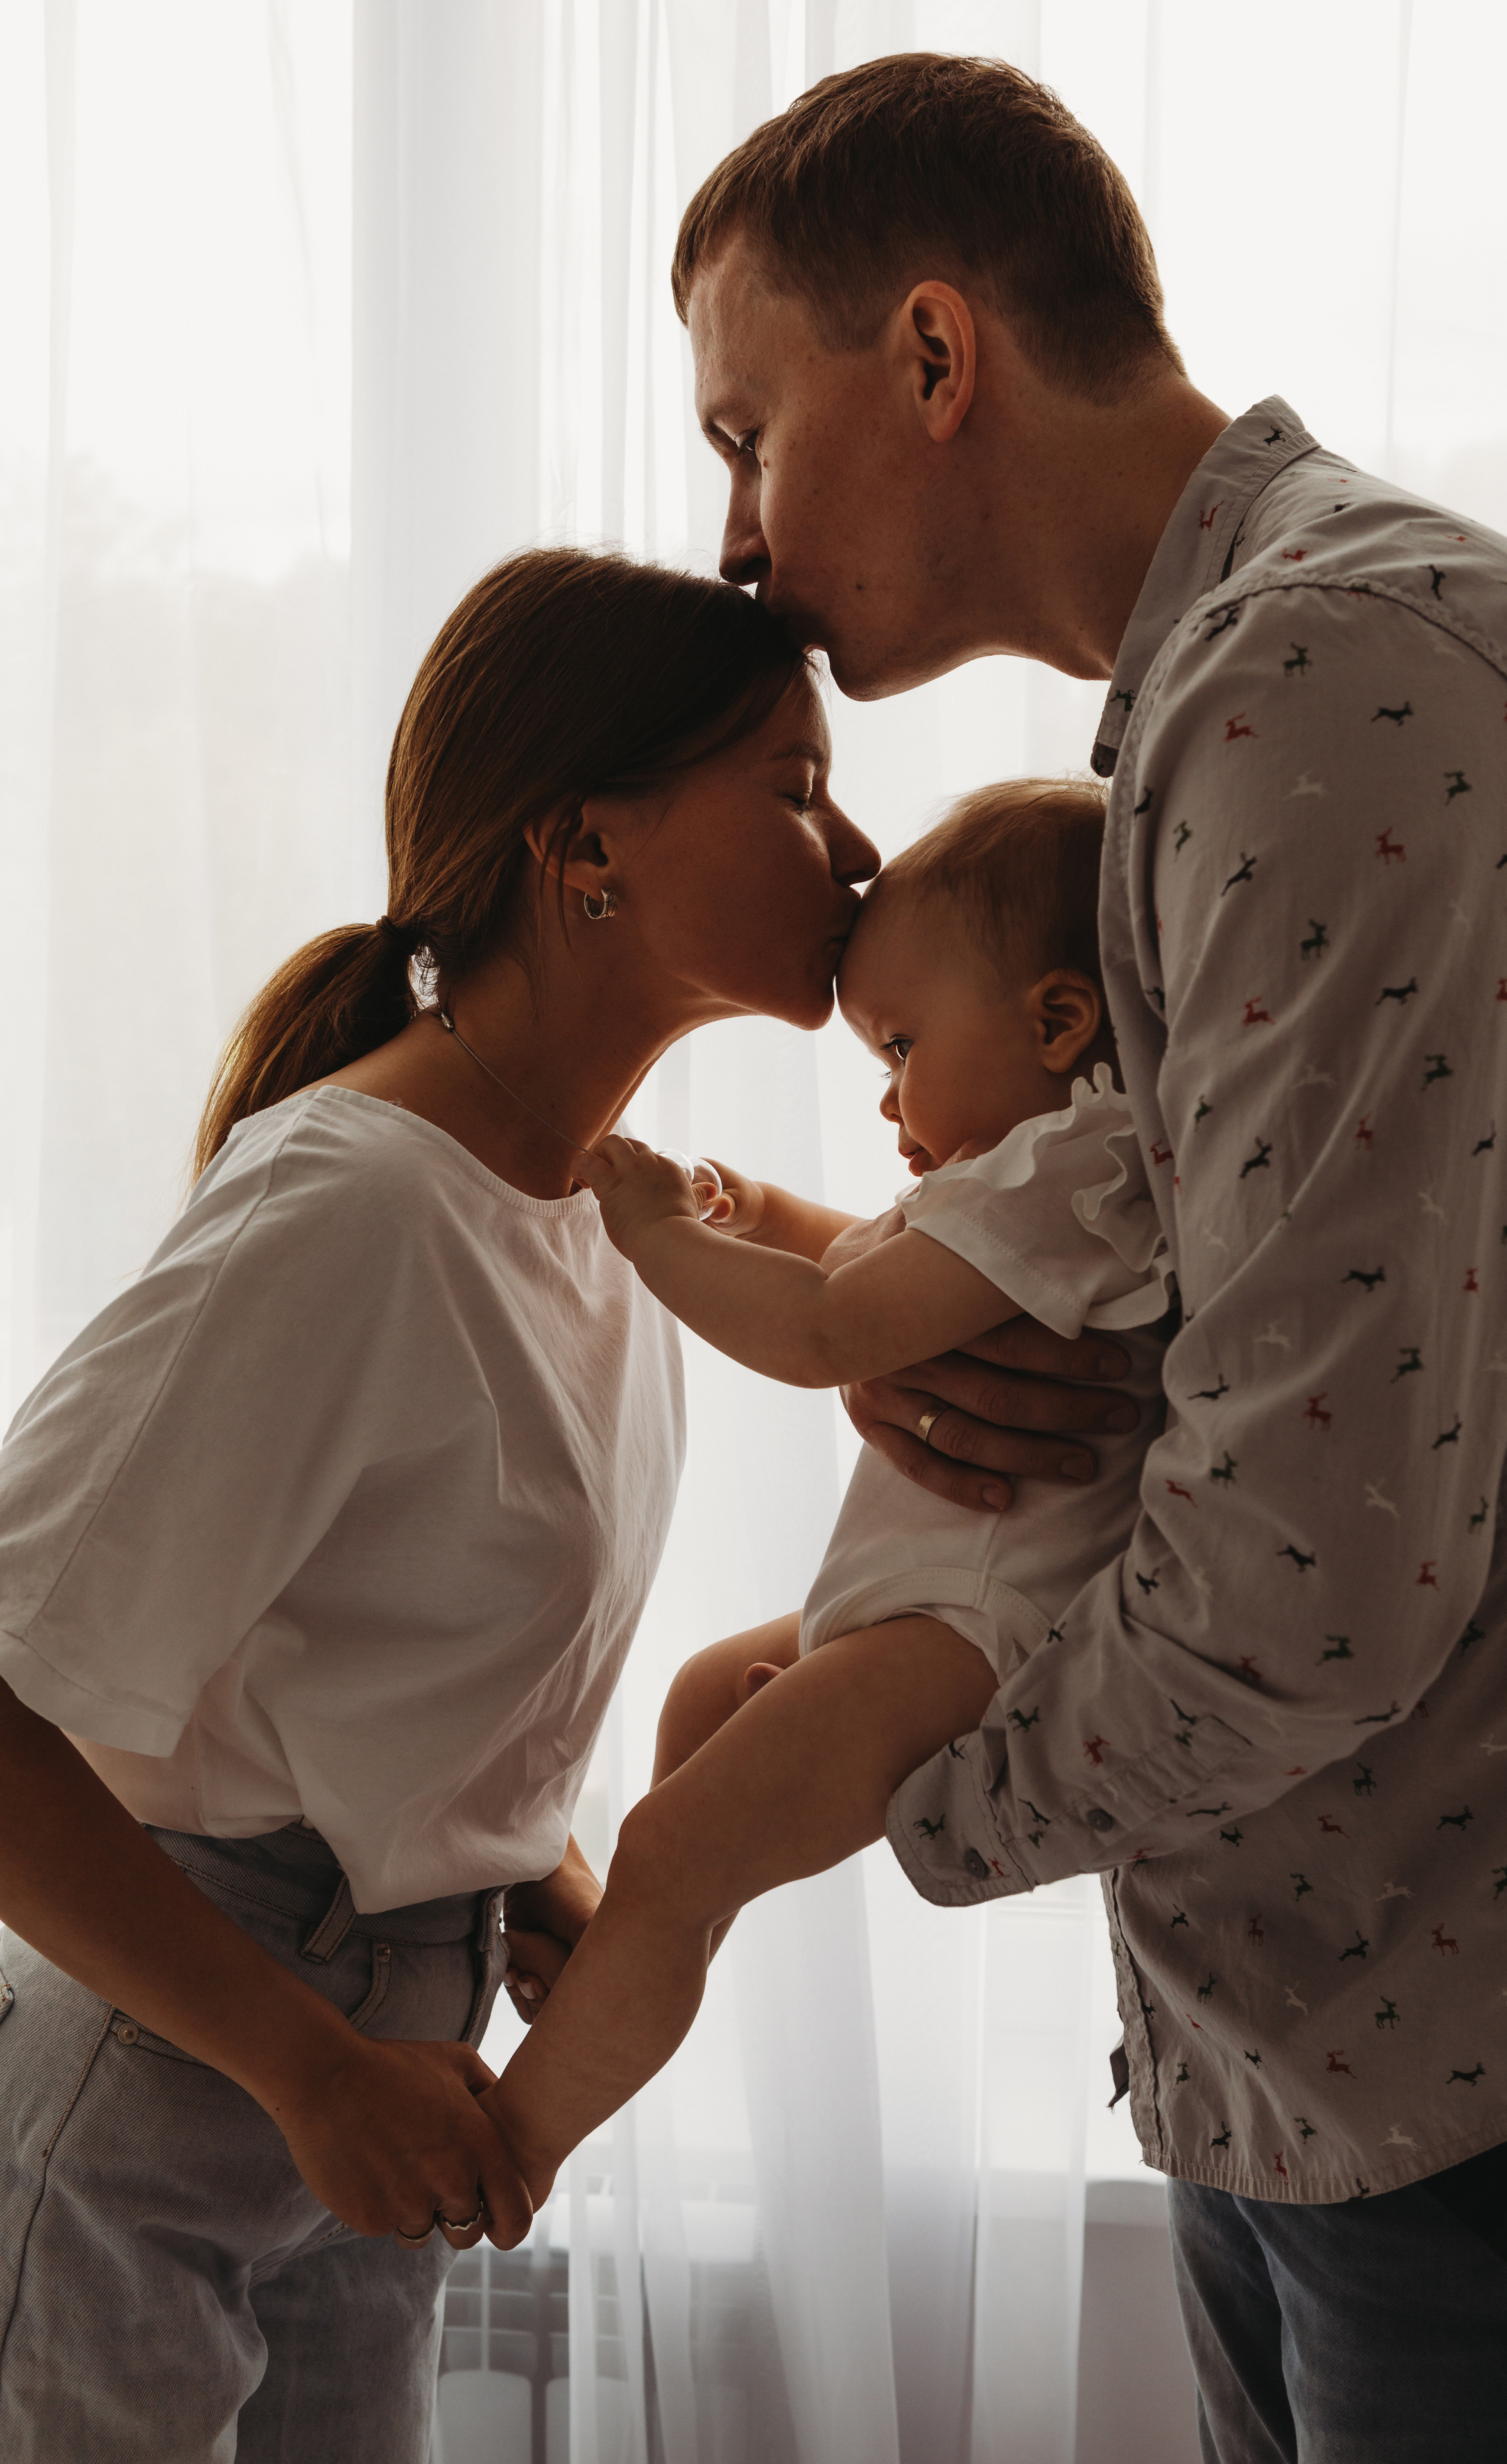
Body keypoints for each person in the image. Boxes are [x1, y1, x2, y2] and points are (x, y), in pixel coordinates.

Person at [667, 50, 1507, 2460]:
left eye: (741, 431)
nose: (734, 542)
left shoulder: (1332, 682)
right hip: (1324, 2057)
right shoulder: (1223, 714)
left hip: (1480, 2097)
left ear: (930, 354)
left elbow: (1317, 1589)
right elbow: (1377, 1373)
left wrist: (867, 1785)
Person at [0, 545, 890, 2463]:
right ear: (589, 846)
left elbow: (378, 1640)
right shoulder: (352, 1206)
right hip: (170, 2087)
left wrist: (514, 1870)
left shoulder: (601, 1216)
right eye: (799, 790)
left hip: (386, 2072)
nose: (862, 855)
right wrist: (307, 2058)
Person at [481, 780, 1172, 2184]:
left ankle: (512, 2142)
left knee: (680, 1843)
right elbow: (868, 1253)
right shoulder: (1018, 1186)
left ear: (1055, 1022)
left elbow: (823, 1331)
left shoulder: (1080, 1170)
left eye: (903, 1045)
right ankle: (635, 1959)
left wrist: (653, 1228)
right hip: (914, 1603)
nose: (885, 1093)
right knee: (694, 1706)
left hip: (975, 1629)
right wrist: (757, 1212)